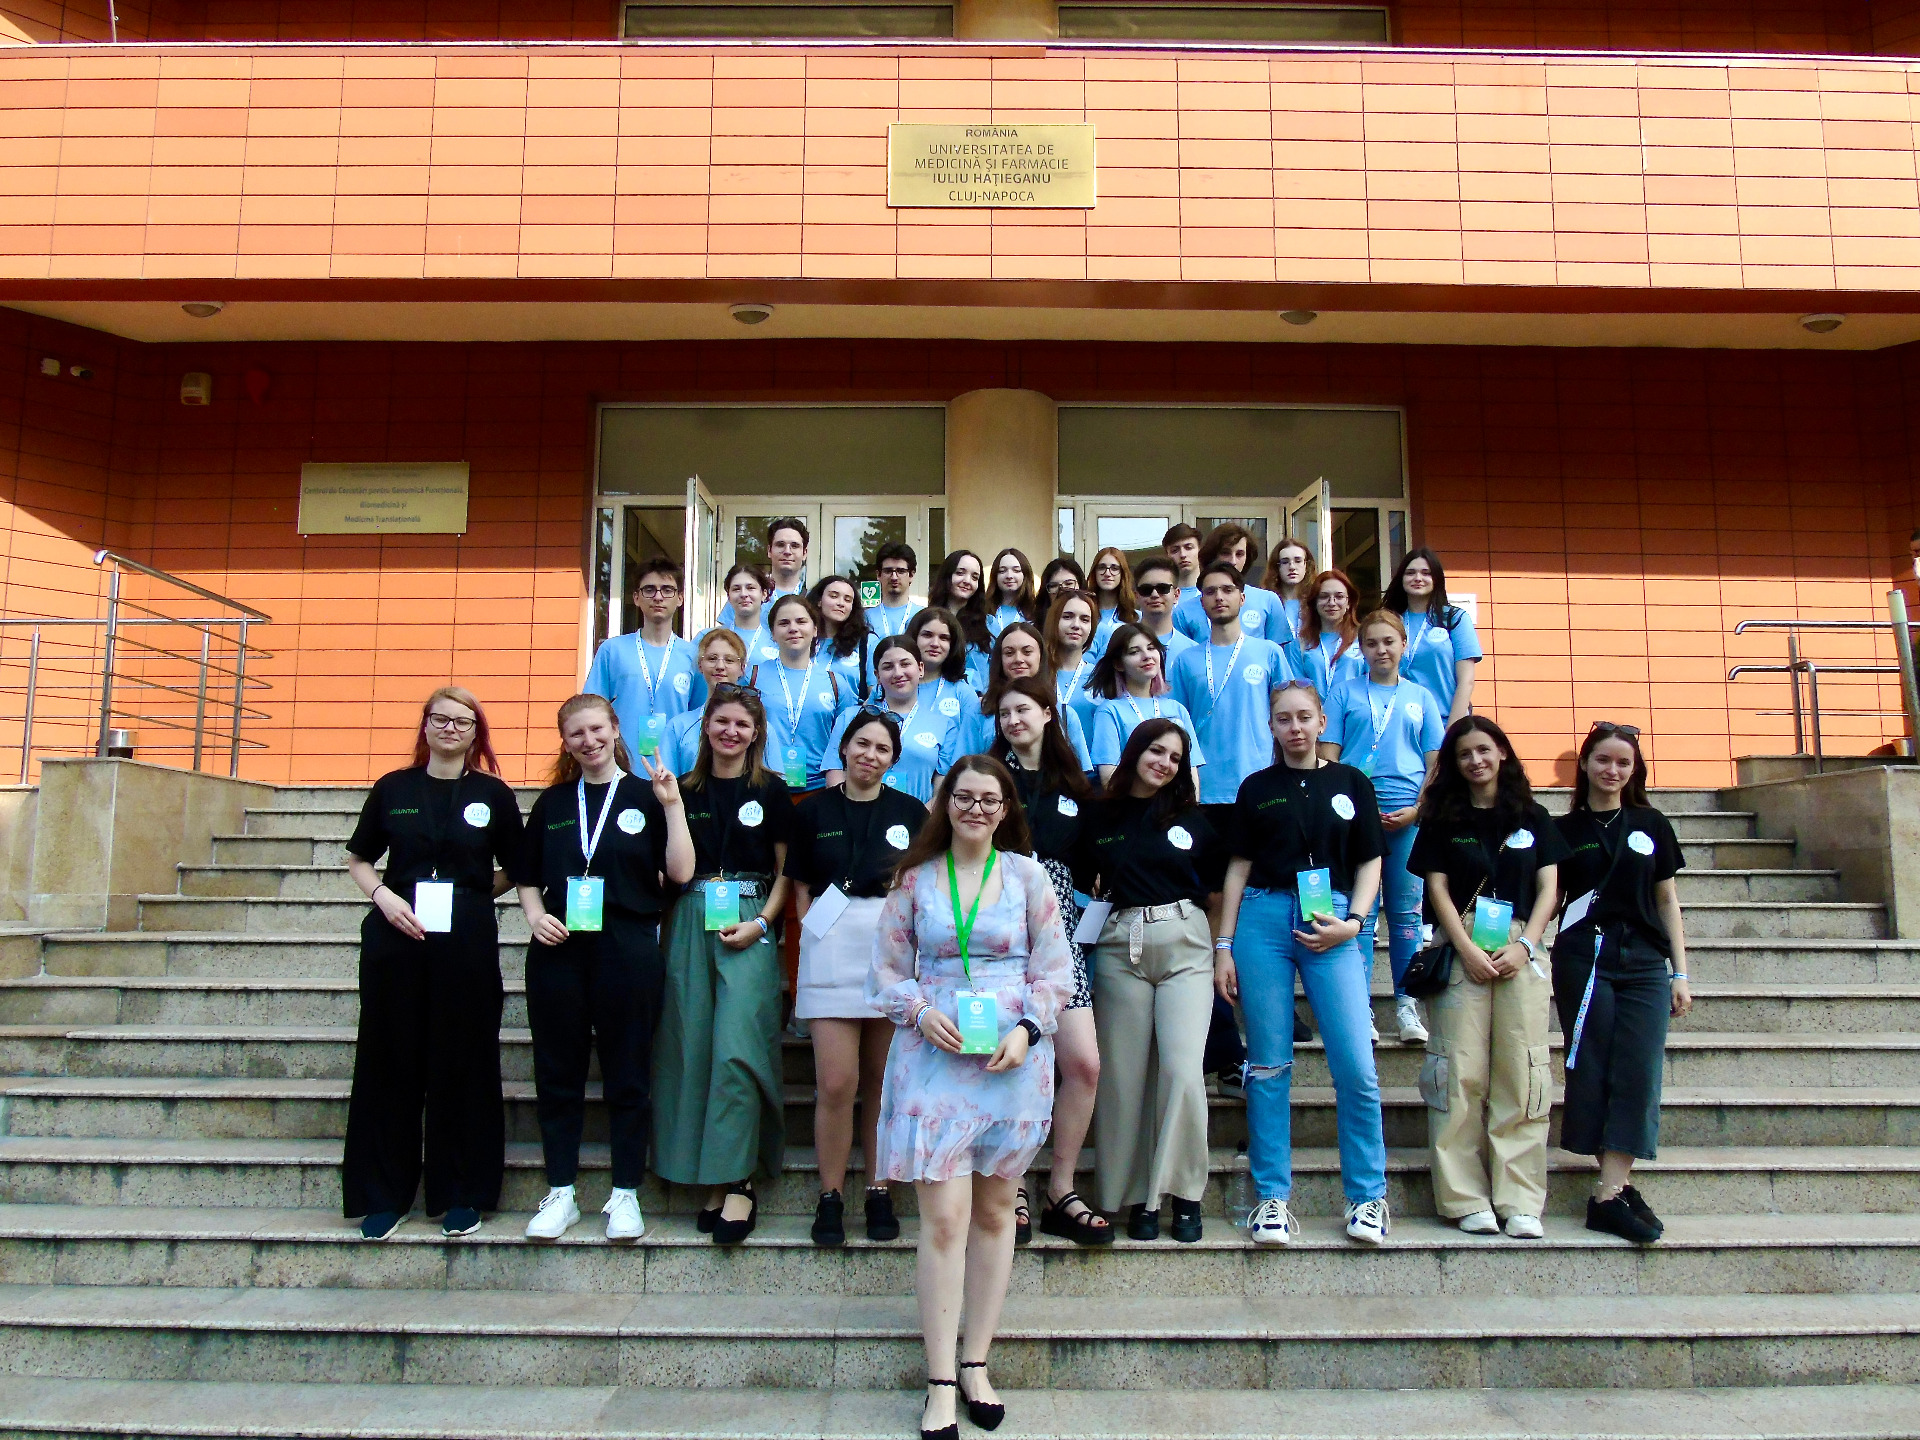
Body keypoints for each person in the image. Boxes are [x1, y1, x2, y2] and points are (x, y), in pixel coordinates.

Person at [868, 757, 1074, 1440]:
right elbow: (887, 970)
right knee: (944, 1221)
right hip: (934, 1053)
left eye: (990, 799)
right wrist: (919, 1012)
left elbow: (1055, 970)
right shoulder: (915, 878)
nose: (976, 808)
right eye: (964, 797)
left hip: (1009, 1056)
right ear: (945, 803)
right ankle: (939, 1380)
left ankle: (976, 1361)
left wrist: (1028, 1029)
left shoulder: (1028, 877)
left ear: (1006, 808)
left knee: (993, 1212)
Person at [342, 687, 525, 1241]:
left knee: (465, 1059)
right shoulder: (392, 788)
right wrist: (384, 897)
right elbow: (358, 859)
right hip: (397, 934)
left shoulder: (493, 794)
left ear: (476, 734)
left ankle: (462, 1193)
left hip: (465, 941)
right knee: (389, 1059)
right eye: (440, 719)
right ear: (425, 726)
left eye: (462, 722)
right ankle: (384, 1194)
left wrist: (472, 895)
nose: (450, 729)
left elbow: (518, 867)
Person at [1213, 680, 1391, 1247]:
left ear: (1321, 722)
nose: (1294, 727)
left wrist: (1356, 922)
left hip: (1331, 919)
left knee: (1356, 1065)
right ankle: (1271, 1198)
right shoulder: (1257, 787)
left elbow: (1370, 861)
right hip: (1263, 920)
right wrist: (1223, 945)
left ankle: (1368, 1197)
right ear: (1271, 726)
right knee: (1267, 1064)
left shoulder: (1351, 783)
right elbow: (1237, 868)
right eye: (1283, 719)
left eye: (1304, 717)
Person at [514, 695, 694, 1242]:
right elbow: (526, 873)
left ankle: (625, 1194)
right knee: (558, 1072)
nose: (589, 741)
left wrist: (672, 805)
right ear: (565, 742)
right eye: (577, 734)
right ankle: (561, 1192)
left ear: (616, 729)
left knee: (628, 1072)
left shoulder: (648, 794)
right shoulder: (553, 803)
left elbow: (681, 873)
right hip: (559, 947)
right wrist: (535, 916)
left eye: (597, 729)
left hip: (627, 944)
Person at [1409, 714, 1567, 1239]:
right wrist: (1464, 948)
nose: (1475, 760)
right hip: (1462, 943)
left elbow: (1550, 888)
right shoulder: (1442, 819)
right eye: (1464, 754)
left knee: (1522, 1071)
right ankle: (1464, 1197)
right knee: (1457, 1072)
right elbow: (1435, 889)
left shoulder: (1533, 816)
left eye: (1484, 749)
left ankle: (1520, 1199)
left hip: (1521, 944)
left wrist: (1527, 945)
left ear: (1502, 752)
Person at [652, 684, 793, 1245]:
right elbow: (672, 868)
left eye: (742, 724)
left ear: (756, 733)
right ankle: (709, 1173)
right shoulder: (681, 789)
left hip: (750, 917)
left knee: (739, 1047)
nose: (731, 732)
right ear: (706, 726)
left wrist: (765, 924)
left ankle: (738, 1178)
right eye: (722, 722)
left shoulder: (772, 790)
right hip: (690, 916)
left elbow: (787, 872)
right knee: (690, 1045)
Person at [1074, 720, 1223, 1243]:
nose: (1164, 763)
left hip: (1185, 943)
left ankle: (1182, 1192)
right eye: (1156, 751)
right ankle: (1135, 1196)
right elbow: (1081, 879)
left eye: (1175, 758)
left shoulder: (1193, 820)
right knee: (1123, 1077)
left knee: (1182, 1071)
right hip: (1121, 945)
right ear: (1135, 752)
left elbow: (1217, 893)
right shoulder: (1098, 815)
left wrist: (1220, 950)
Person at [1552, 721, 1692, 1245]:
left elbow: (1666, 900)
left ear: (1635, 771)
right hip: (1584, 958)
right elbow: (1550, 899)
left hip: (1644, 961)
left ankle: (1611, 1192)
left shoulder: (1651, 823)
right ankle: (1614, 1190)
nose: (1612, 770)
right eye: (1603, 760)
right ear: (1585, 764)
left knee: (1639, 1068)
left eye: (1623, 763)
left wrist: (1680, 972)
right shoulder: (1564, 830)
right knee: (1591, 1064)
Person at [790, 711, 928, 1246]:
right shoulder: (813, 810)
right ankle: (830, 1195)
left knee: (880, 1081)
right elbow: (800, 886)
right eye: (862, 744)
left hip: (890, 946)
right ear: (844, 749)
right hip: (831, 945)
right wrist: (812, 934)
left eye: (882, 748)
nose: (870, 755)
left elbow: (925, 884)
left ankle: (878, 1190)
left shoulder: (910, 811)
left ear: (893, 759)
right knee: (835, 1082)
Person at [989, 677, 1109, 1247]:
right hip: (1002, 936)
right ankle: (1010, 1186)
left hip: (1062, 940)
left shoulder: (1077, 786)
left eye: (1023, 710)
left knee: (1083, 1064)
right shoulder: (990, 781)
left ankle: (1060, 1189)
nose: (1013, 720)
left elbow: (1094, 871)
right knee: (1010, 1061)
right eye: (1004, 713)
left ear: (1047, 713)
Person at [1320, 611, 1445, 1045]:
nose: (1381, 650)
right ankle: (1361, 1009)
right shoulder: (1344, 692)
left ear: (1403, 644)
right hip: (1357, 815)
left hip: (1407, 816)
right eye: (1371, 643)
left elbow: (1435, 762)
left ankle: (1408, 1005)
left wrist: (1419, 809)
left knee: (1407, 914)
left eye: (1389, 641)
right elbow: (1329, 756)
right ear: (1362, 649)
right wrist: (1348, 807)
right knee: (1363, 913)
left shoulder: (1420, 696)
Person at [1166, 562, 1298, 813]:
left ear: (1242, 598)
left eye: (1227, 590)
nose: (1219, 597)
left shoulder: (1269, 652)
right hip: (1205, 788)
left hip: (1262, 782)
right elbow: (1177, 725)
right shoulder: (1185, 660)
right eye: (1210, 591)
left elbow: (1288, 713)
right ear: (1201, 602)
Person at [584, 555, 704, 759]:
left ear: (680, 598)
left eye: (667, 590)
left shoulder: (694, 656)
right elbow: (591, 711)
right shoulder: (612, 650)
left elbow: (699, 718)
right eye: (649, 590)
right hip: (622, 765)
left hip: (676, 766)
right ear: (636, 598)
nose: (658, 597)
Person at [823, 636, 963, 802]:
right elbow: (835, 772)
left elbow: (942, 787)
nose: (898, 673)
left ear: (920, 669)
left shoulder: (944, 725)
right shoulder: (851, 717)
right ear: (877, 675)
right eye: (888, 667)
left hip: (917, 815)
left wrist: (922, 814)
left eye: (905, 664)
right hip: (856, 813)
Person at [749, 593, 853, 793]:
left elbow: (846, 739)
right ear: (772, 633)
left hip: (820, 790)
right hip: (764, 787)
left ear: (815, 630)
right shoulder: (752, 677)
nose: (793, 628)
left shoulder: (835, 683)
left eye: (801, 621)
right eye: (784, 623)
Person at [1088, 623, 1203, 784]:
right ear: (1118, 664)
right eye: (1134, 652)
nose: (1147, 656)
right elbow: (1109, 776)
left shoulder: (1177, 709)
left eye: (1151, 648)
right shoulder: (1110, 711)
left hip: (1174, 799)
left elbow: (1191, 772)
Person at [975, 618, 1094, 769]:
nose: (1018, 659)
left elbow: (1079, 774)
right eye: (1009, 653)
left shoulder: (1065, 714)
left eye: (1027, 652)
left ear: (1040, 657)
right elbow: (964, 767)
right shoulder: (980, 711)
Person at [1383, 548, 1483, 725]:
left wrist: (1452, 730)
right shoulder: (1388, 621)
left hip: (1443, 721)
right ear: (1401, 579)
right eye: (1410, 573)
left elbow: (1466, 681)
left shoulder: (1454, 619)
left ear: (1436, 579)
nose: (1418, 578)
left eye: (1426, 573)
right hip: (1396, 724)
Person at [1172, 524, 1284, 641]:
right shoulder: (1184, 612)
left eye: (1239, 554)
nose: (1233, 561)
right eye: (1225, 553)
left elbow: (1278, 650)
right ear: (1212, 555)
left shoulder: (1268, 600)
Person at [666, 628, 747, 774]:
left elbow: (772, 784)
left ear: (742, 668)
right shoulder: (678, 727)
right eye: (712, 659)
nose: (720, 666)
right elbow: (666, 782)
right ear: (700, 665)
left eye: (729, 660)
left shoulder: (759, 728)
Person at [907, 606, 982, 753]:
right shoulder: (895, 686)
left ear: (952, 645)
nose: (935, 643)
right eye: (927, 635)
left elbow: (971, 746)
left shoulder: (964, 693)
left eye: (944, 638)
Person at [1042, 589, 1102, 744]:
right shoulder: (1037, 673)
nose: (1076, 625)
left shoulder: (1101, 676)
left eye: (1085, 619)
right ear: (1054, 620)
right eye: (1067, 617)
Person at [928, 549, 993, 690]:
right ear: (947, 575)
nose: (967, 581)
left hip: (979, 699)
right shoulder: (926, 620)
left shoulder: (990, 625)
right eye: (960, 573)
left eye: (974, 577)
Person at [1299, 568, 1364, 700]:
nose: (1332, 602)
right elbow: (1296, 689)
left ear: (1349, 603)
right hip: (1314, 711)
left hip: (1353, 709)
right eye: (1324, 596)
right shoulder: (1300, 644)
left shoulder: (1364, 639)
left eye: (1339, 596)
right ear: (1314, 602)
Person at [811, 574, 875, 703]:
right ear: (819, 601)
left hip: (850, 714)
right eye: (834, 596)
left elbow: (873, 694)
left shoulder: (866, 641)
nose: (841, 603)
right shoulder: (803, 637)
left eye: (847, 600)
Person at [1133, 555, 1197, 666]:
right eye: (1146, 589)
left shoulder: (1193, 651)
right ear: (1136, 596)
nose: (1154, 594)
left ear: (1176, 595)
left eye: (1163, 588)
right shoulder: (1121, 645)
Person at [718, 563, 780, 667]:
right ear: (729, 596)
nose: (743, 594)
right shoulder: (709, 637)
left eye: (750, 588)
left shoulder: (777, 641)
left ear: (764, 594)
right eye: (736, 589)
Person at [1260, 537, 1316, 640]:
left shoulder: (1316, 601)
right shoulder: (1266, 603)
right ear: (1277, 567)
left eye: (1298, 561)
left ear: (1306, 565)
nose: (1292, 567)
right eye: (1285, 562)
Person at [1087, 546, 1139, 655]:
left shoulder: (1137, 617)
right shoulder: (1084, 614)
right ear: (1094, 572)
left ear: (1122, 573)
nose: (1107, 573)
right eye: (1102, 567)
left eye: (1114, 568)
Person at [871, 542, 923, 638]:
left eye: (901, 571)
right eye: (888, 571)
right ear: (878, 575)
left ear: (911, 575)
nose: (894, 577)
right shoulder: (864, 618)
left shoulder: (924, 616)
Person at [986, 547, 1037, 636]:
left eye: (1016, 570)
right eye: (1002, 571)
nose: (1009, 576)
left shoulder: (1036, 612)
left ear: (1025, 575)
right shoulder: (983, 610)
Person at [765, 517, 809, 604]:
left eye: (794, 546)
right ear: (769, 551)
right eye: (780, 545)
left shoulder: (814, 600)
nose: (787, 551)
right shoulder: (750, 597)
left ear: (804, 553)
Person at [1162, 522, 1202, 601]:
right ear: (1167, 555)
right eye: (1175, 550)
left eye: (1189, 547)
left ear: (1200, 550)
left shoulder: (1213, 592)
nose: (1182, 555)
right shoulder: (1161, 597)